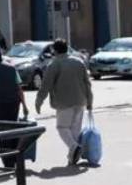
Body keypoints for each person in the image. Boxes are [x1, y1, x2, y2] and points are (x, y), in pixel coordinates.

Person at [34, 38, 94, 166]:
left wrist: (39, 102)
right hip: (80, 101)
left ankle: (74, 148)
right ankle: (72, 157)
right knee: (74, 130)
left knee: (62, 127)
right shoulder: (79, 62)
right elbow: (87, 84)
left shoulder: (54, 65)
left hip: (63, 102)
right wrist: (90, 101)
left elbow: (46, 86)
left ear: (55, 50)